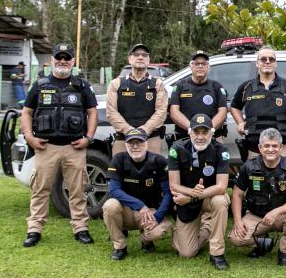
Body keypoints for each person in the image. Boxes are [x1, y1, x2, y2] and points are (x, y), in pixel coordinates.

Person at [20, 43, 98, 248]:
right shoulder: (39, 85)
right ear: (52, 60)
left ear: (73, 61)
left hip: (74, 147)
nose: (62, 61)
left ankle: (80, 228)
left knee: (78, 190)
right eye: (59, 57)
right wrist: (29, 137)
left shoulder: (81, 86)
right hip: (46, 147)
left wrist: (88, 138)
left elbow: (92, 112)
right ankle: (34, 229)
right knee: (40, 189)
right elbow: (27, 112)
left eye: (67, 58)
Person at [229, 128, 286, 266]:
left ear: (281, 148)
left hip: (283, 215)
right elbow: (237, 194)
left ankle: (284, 251)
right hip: (256, 215)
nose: (271, 149)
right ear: (260, 148)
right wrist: (238, 220)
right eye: (267, 146)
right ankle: (261, 243)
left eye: (275, 146)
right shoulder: (249, 166)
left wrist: (276, 212)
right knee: (236, 238)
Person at [168, 114, 231, 270]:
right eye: (196, 132)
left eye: (205, 132)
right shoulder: (176, 149)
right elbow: (174, 185)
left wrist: (192, 197)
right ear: (190, 133)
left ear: (212, 133)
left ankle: (216, 253)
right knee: (186, 252)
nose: (200, 137)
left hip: (207, 197)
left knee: (221, 200)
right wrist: (191, 192)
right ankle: (208, 227)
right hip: (187, 196)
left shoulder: (221, 150)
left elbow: (222, 187)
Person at [103, 128, 173, 260]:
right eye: (131, 143)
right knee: (110, 205)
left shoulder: (159, 161)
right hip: (126, 211)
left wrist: (157, 217)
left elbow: (168, 193)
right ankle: (120, 246)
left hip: (150, 212)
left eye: (139, 142)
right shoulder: (118, 159)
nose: (135, 146)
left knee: (162, 229)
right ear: (126, 145)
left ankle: (146, 240)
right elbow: (113, 190)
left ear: (146, 143)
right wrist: (139, 205)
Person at [230, 45, 286, 159]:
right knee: (253, 176)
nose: (267, 62)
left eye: (271, 59)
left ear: (275, 63)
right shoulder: (246, 87)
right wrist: (240, 122)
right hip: (254, 148)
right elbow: (234, 107)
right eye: (263, 59)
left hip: (283, 147)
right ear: (257, 63)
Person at [106, 43, 168, 155]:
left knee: (153, 171)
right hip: (123, 139)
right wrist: (129, 131)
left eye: (144, 55)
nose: (140, 57)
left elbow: (161, 112)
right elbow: (111, 112)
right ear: (129, 59)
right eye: (136, 54)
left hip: (151, 138)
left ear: (148, 60)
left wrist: (144, 130)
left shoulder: (158, 84)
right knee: (121, 171)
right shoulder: (116, 83)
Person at [168, 51, 228, 143]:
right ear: (191, 66)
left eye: (203, 63)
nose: (200, 66)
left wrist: (208, 129)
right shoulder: (180, 86)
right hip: (185, 137)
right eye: (196, 63)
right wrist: (192, 128)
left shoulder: (217, 87)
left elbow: (222, 112)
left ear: (208, 67)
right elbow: (174, 111)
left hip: (212, 136)